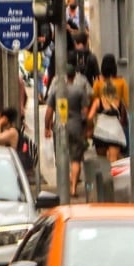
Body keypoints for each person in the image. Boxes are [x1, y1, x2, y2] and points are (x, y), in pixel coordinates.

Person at [44, 51, 93, 197]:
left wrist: (47, 127)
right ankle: (73, 188)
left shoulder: (57, 90)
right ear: (74, 76)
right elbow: (85, 111)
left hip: (60, 126)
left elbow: (49, 111)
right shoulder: (79, 90)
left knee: (61, 158)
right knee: (76, 158)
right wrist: (87, 127)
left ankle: (64, 187)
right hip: (76, 126)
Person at [88, 53, 129, 162]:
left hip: (100, 125)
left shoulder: (98, 82)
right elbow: (128, 102)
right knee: (115, 155)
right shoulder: (121, 82)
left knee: (104, 159)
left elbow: (93, 99)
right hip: (117, 121)